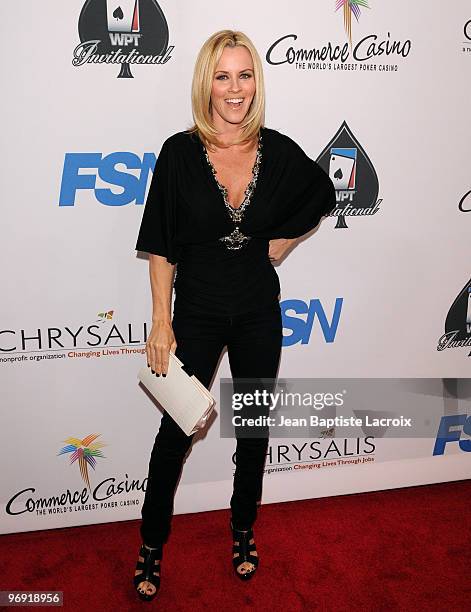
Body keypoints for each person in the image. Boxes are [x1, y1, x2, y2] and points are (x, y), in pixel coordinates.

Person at [133, 29, 335, 601]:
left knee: (253, 429)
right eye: (223, 76)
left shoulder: (276, 150)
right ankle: (151, 543)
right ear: (206, 83)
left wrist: (285, 243)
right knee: (176, 429)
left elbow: (322, 193)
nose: (235, 89)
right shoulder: (178, 153)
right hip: (193, 314)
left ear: (256, 82)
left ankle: (242, 530)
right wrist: (160, 319)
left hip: (256, 313)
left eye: (245, 75)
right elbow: (161, 244)